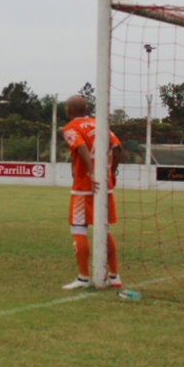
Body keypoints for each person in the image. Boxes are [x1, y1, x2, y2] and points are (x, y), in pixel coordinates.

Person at [61, 95, 122, 289]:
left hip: (84, 187)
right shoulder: (100, 124)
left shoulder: (70, 128)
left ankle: (83, 277)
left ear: (69, 111)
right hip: (104, 185)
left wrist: (91, 172)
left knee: (78, 228)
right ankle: (114, 276)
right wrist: (111, 173)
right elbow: (118, 147)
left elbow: (80, 148)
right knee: (103, 229)